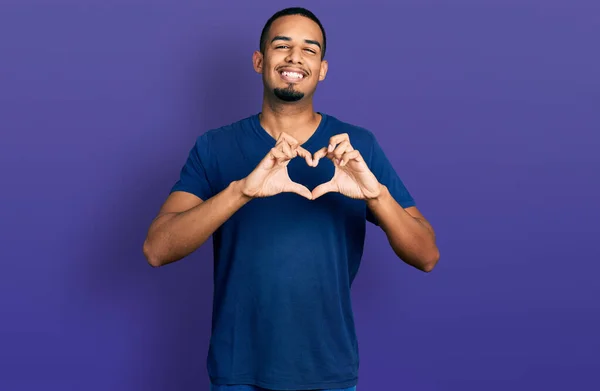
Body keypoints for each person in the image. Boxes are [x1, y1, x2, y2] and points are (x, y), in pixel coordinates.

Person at [143, 7, 439, 391]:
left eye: (309, 50)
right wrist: (241, 191)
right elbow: (156, 249)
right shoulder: (214, 147)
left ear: (323, 69)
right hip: (238, 372)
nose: (295, 57)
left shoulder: (356, 148)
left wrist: (376, 195)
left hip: (329, 372)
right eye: (282, 45)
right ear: (259, 60)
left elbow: (426, 255)